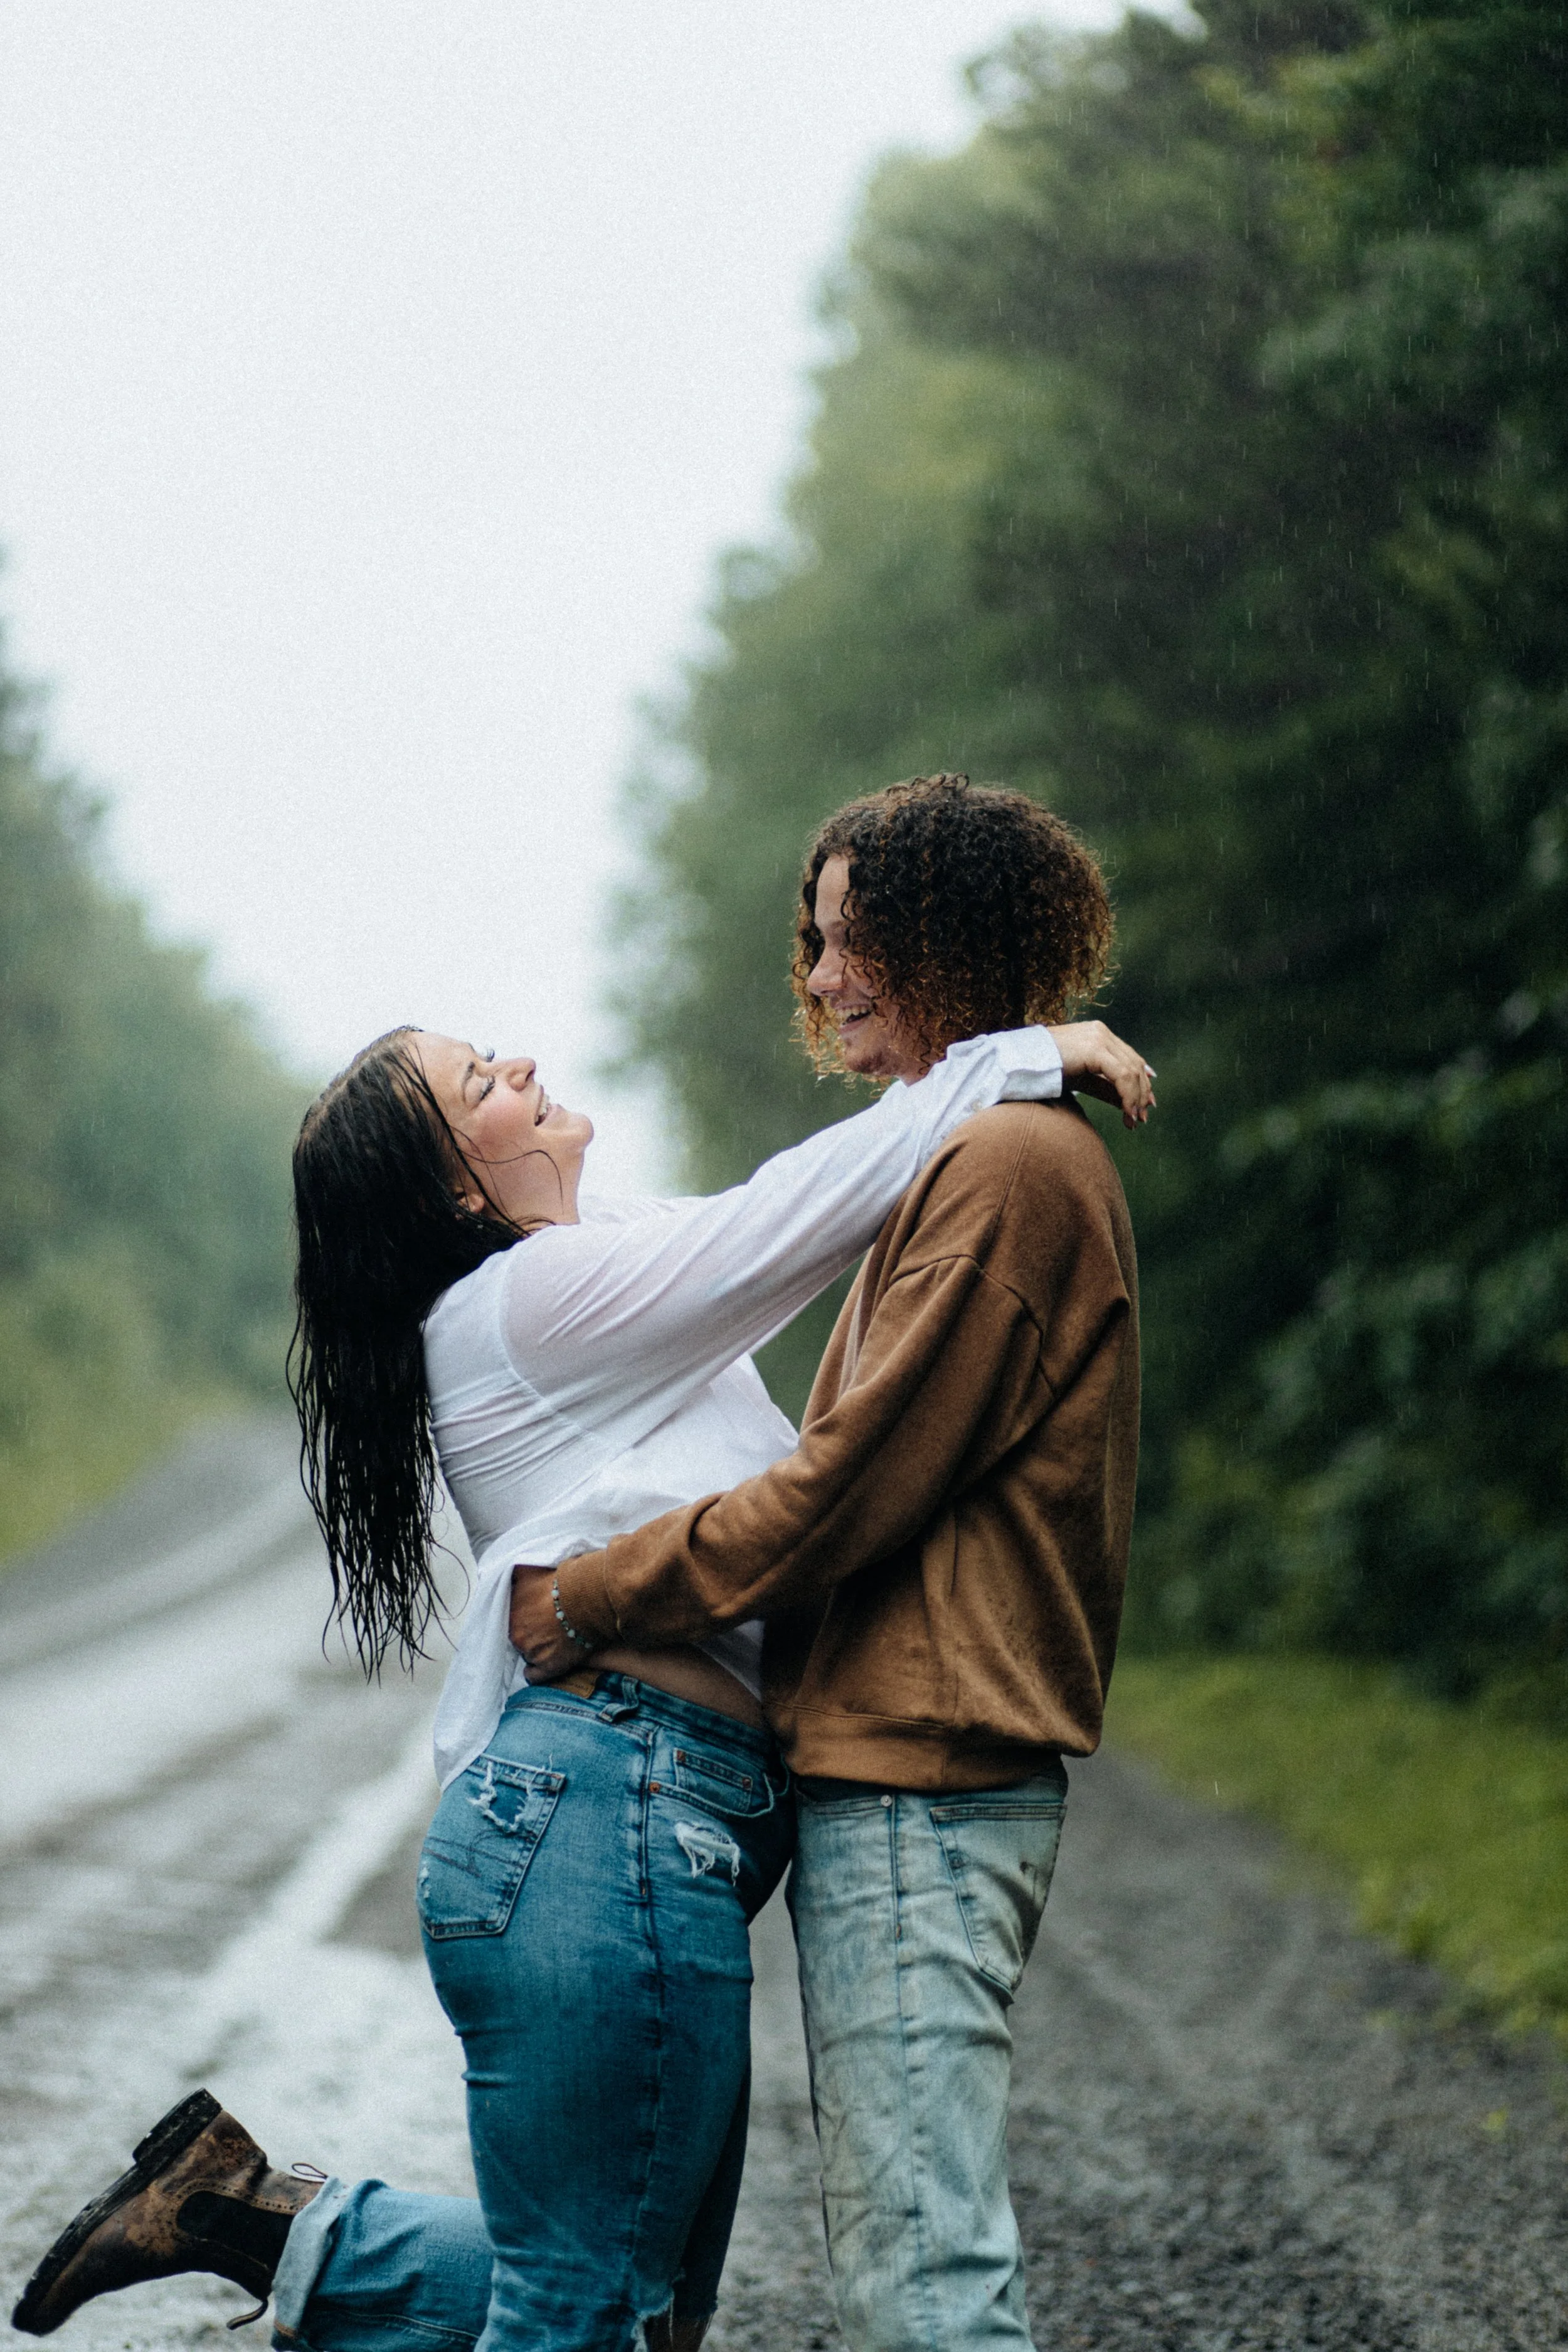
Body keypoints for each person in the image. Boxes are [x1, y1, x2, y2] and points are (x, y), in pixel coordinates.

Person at [10, 810, 1152, 2352]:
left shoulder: (588, 1256)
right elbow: (791, 1218)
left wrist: (989, 1063)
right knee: (596, 2310)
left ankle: (257, 2220)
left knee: (625, 2306)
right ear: (456, 1191)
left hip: (643, 1818)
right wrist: (1024, 1047)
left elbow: (781, 1206)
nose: (526, 1066)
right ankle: (256, 2221)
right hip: (605, 1811)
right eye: (482, 1082)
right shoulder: (529, 1301)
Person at [511, 775, 1142, 2352]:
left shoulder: (1007, 1173)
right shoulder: (953, 1151)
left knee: (922, 2279)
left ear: (949, 940)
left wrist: (589, 1594)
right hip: (894, 1775)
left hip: (926, 1783)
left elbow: (837, 1496)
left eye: (847, 940)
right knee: (894, 2258)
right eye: (810, 940)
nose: (814, 975)